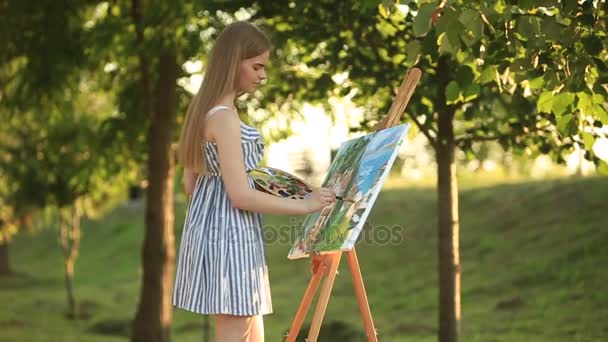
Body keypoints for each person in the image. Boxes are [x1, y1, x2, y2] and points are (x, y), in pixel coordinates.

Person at [173, 21, 336, 342]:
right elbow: (240, 196)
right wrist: (304, 204)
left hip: (215, 233)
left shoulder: (202, 110)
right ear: (233, 62)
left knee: (249, 333)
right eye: (257, 66)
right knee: (239, 333)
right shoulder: (224, 118)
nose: (263, 75)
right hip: (231, 237)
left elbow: (191, 186)